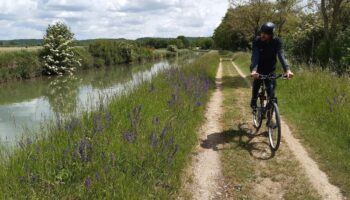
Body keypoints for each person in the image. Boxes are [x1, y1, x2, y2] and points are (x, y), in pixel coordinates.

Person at [250, 22, 294, 110]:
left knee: (271, 93)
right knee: (257, 84)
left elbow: (281, 55)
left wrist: (287, 70)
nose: (262, 35)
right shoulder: (257, 41)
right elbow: (255, 56)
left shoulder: (277, 42)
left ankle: (270, 115)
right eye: (261, 33)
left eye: (265, 34)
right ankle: (254, 99)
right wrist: (254, 70)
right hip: (258, 68)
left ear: (271, 35)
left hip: (270, 69)